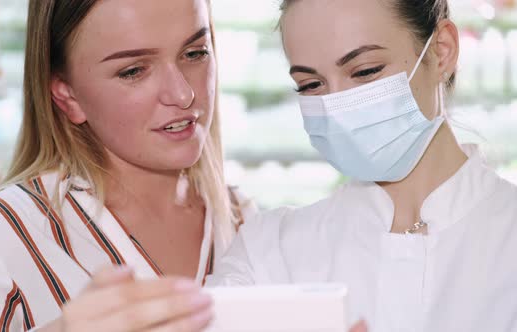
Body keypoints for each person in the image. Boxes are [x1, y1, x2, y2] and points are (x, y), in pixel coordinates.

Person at [0, 0, 256, 331]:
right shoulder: (0, 236)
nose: (183, 94)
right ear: (67, 96)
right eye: (133, 70)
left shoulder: (244, 219)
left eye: (195, 53)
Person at [209, 0, 517, 331]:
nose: (337, 109)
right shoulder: (268, 251)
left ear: (441, 51)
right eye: (311, 85)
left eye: (366, 71)